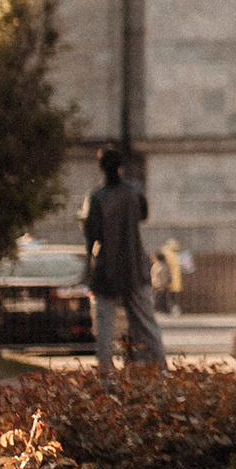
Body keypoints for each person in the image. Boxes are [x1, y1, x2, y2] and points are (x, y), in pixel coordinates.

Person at [82, 145, 167, 377]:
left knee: (104, 326)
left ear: (101, 169)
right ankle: (160, 367)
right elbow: (144, 214)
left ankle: (105, 372)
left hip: (106, 270)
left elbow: (92, 235)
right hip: (134, 267)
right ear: (121, 167)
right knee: (147, 323)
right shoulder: (134, 192)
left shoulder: (97, 197)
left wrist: (89, 265)